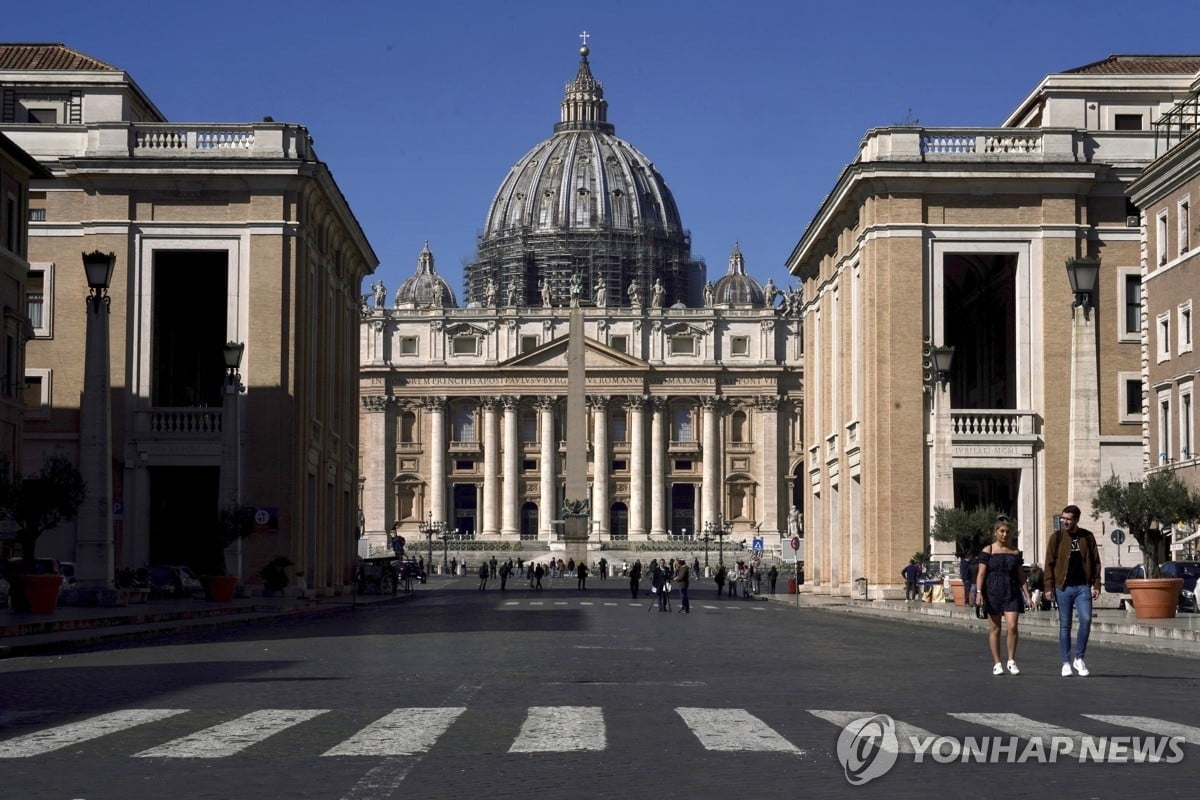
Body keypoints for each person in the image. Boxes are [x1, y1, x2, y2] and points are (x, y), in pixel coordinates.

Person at [1044, 504, 1101, 677]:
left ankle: (1079, 658)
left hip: (1083, 586)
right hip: (1063, 587)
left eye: (1068, 519)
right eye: (1063, 518)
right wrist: (1048, 587)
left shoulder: (1087, 537)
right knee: (1065, 625)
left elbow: (1096, 561)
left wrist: (1097, 584)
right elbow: (1049, 564)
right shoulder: (1057, 537)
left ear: (1076, 519)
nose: (1065, 521)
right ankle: (1066, 662)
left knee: (1086, 619)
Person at [975, 519, 1031, 675]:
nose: (1005, 534)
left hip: (1012, 591)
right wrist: (979, 593)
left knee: (1012, 626)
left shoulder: (1015, 552)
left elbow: (1021, 576)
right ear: (995, 532)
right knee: (995, 628)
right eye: (1002, 531)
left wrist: (1028, 596)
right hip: (992, 591)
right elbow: (981, 573)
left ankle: (1011, 660)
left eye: (1007, 531)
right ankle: (997, 663)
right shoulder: (988, 550)